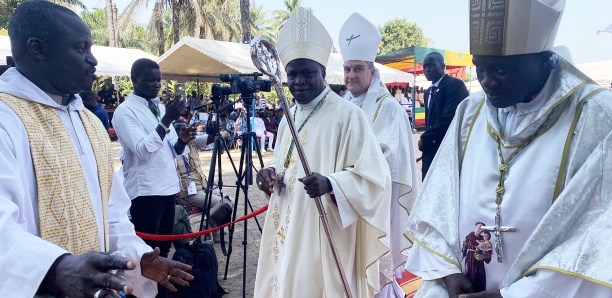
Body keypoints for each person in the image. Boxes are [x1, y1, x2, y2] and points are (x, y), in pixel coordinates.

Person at [405, 1, 612, 297]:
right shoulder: (470, 111)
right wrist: (448, 270)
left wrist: (516, 294)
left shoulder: (596, 116)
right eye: (480, 67)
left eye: (500, 69)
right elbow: (439, 198)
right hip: (464, 282)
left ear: (542, 59)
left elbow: (599, 231)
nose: (487, 82)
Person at [0, 2, 193, 297]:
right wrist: (56, 269)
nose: (92, 60)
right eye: (81, 49)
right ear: (38, 49)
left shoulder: (88, 121)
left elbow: (110, 210)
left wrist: (137, 255)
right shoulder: (6, 118)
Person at [254, 8, 392, 297]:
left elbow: (374, 179)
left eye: (307, 73)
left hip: (323, 226)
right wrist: (269, 173)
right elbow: (283, 161)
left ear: (323, 73)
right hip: (287, 221)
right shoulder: (288, 117)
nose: (299, 81)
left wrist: (332, 184)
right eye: (293, 74)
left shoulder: (348, 116)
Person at [339, 12, 419, 298]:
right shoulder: (340, 107)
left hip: (375, 202)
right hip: (342, 198)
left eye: (358, 69)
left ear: (372, 72)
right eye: (347, 69)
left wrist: (345, 176)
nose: (351, 76)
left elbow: (388, 158)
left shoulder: (389, 109)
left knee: (375, 270)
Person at [112, 58, 197, 297]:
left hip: (168, 188)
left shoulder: (158, 107)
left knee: (163, 249)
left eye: (158, 80)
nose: (156, 84)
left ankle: (158, 293)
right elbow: (142, 150)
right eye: (150, 79)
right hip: (146, 192)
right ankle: (139, 293)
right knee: (146, 253)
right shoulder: (125, 112)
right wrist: (167, 119)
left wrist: (182, 140)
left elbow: (170, 151)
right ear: (134, 80)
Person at [418, 52, 469, 179]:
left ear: (443, 65)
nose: (427, 69)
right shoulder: (428, 91)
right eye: (425, 66)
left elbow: (448, 118)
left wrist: (425, 138)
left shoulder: (455, 86)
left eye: (431, 65)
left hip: (448, 149)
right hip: (430, 150)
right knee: (427, 186)